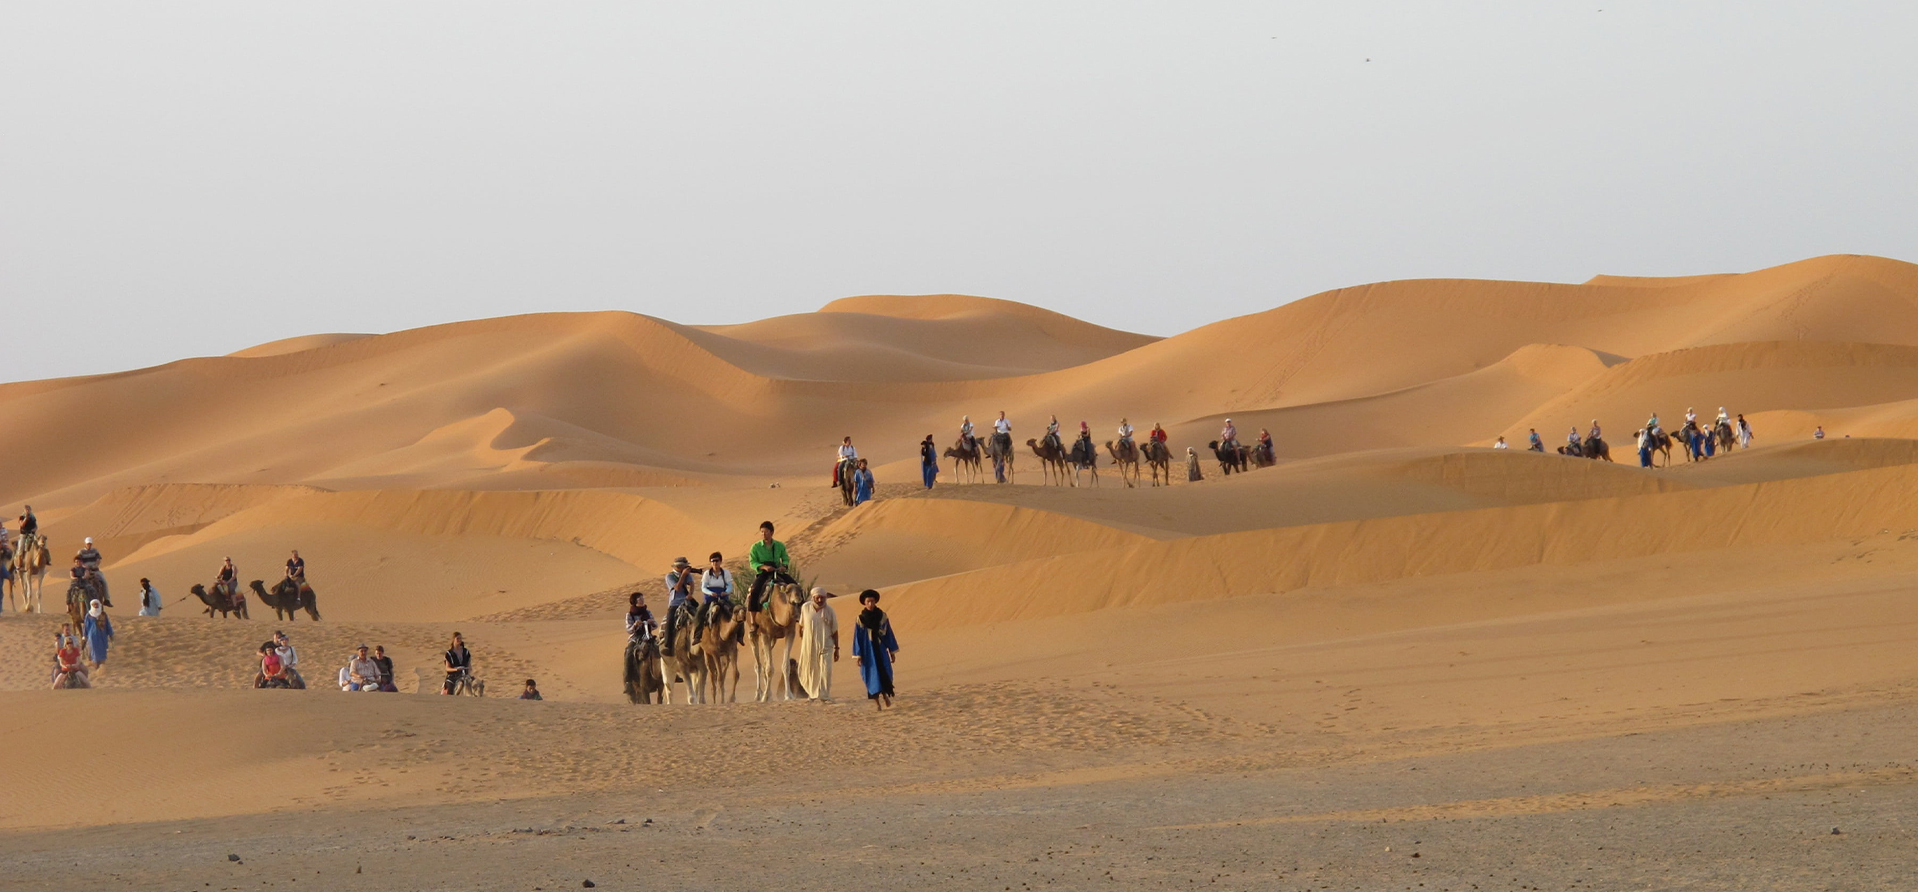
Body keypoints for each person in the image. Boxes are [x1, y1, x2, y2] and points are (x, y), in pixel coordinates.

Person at [852, 589, 900, 709]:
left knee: (885, 673)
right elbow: (857, 638)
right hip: (868, 652)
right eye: (868, 601)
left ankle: (885, 696)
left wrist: (892, 651)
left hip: (881, 649)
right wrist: (858, 655)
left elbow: (888, 633)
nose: (870, 604)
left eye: (872, 601)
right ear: (864, 603)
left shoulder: (882, 616)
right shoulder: (861, 619)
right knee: (871, 676)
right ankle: (877, 703)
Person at [795, 587, 839, 701]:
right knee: (811, 669)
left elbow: (835, 630)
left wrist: (837, 648)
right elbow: (801, 625)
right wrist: (803, 640)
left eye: (822, 598)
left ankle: (825, 696)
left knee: (826, 670)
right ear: (813, 597)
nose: (820, 600)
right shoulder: (806, 608)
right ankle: (812, 693)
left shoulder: (830, 611)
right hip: (809, 646)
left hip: (826, 645)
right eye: (817, 598)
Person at [747, 522, 792, 610]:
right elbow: (752, 562)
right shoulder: (755, 547)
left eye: (766, 532)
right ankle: (753, 617)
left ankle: (800, 614)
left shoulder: (780, 545)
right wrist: (763, 567)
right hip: (763, 573)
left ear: (771, 533)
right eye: (762, 532)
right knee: (755, 591)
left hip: (777, 571)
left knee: (795, 586)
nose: (763, 534)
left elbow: (785, 558)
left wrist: (784, 566)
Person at [661, 557, 696, 656]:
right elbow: (677, 587)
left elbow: (692, 584)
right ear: (679, 567)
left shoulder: (687, 574)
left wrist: (691, 593)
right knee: (670, 621)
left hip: (686, 602)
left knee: (698, 617)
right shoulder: (669, 576)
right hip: (675, 603)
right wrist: (683, 575)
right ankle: (668, 646)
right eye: (684, 566)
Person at [698, 552, 735, 631]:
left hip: (723, 597)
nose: (715, 563)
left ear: (720, 562)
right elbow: (703, 588)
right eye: (713, 561)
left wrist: (726, 592)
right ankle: (697, 635)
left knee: (736, 612)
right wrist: (710, 593)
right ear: (710, 563)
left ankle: (739, 635)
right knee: (699, 614)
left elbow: (729, 586)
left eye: (717, 561)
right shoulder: (707, 574)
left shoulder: (726, 573)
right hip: (710, 598)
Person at [82, 599, 113, 668]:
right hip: (92, 637)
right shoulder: (89, 615)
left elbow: (107, 624)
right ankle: (96, 666)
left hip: (102, 636)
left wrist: (110, 633)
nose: (95, 606)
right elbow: (86, 626)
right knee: (94, 651)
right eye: (94, 604)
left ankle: (102, 666)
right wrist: (84, 636)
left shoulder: (103, 614)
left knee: (102, 651)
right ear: (91, 605)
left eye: (96, 604)